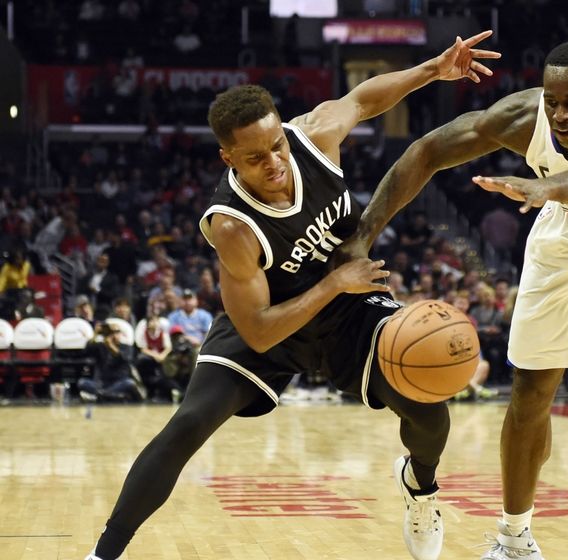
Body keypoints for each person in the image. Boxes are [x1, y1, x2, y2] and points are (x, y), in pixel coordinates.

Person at [83, 31, 500, 560]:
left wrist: (430, 71)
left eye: (276, 144)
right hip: (270, 323)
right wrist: (331, 281)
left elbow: (364, 98)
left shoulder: (313, 136)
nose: (275, 162)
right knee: (189, 423)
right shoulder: (231, 228)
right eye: (256, 157)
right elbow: (258, 328)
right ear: (228, 158)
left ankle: (420, 486)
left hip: (348, 315)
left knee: (428, 408)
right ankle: (104, 553)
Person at [337, 41, 568, 560]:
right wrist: (364, 233)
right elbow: (427, 151)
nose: (559, 114)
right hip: (567, 235)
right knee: (531, 394)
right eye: (553, 100)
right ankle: (514, 538)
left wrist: (549, 188)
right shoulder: (524, 117)